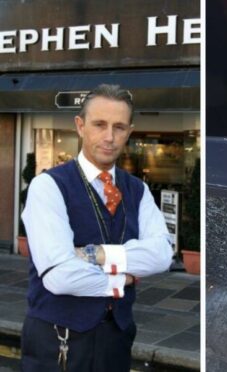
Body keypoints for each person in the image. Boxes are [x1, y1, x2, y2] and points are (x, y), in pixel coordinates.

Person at [20, 84, 173, 372]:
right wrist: (123, 280)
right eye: (99, 124)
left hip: (116, 339)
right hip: (57, 342)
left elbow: (163, 254)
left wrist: (96, 254)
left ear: (129, 131)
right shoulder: (48, 186)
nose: (109, 137)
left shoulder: (137, 189)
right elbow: (59, 276)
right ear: (80, 126)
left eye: (119, 127)